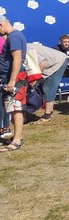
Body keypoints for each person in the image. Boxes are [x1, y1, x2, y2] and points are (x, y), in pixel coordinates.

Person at [0, 15, 27, 152]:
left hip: (15, 78)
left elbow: (17, 59)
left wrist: (12, 80)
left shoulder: (14, 37)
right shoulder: (14, 36)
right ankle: (17, 137)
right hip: (11, 77)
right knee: (12, 108)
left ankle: (16, 140)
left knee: (16, 109)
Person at [27, 43, 69, 123]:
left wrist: (36, 79)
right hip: (53, 62)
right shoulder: (23, 47)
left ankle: (47, 116)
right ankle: (49, 112)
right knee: (47, 88)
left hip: (58, 62)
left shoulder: (26, 50)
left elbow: (42, 63)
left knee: (48, 88)